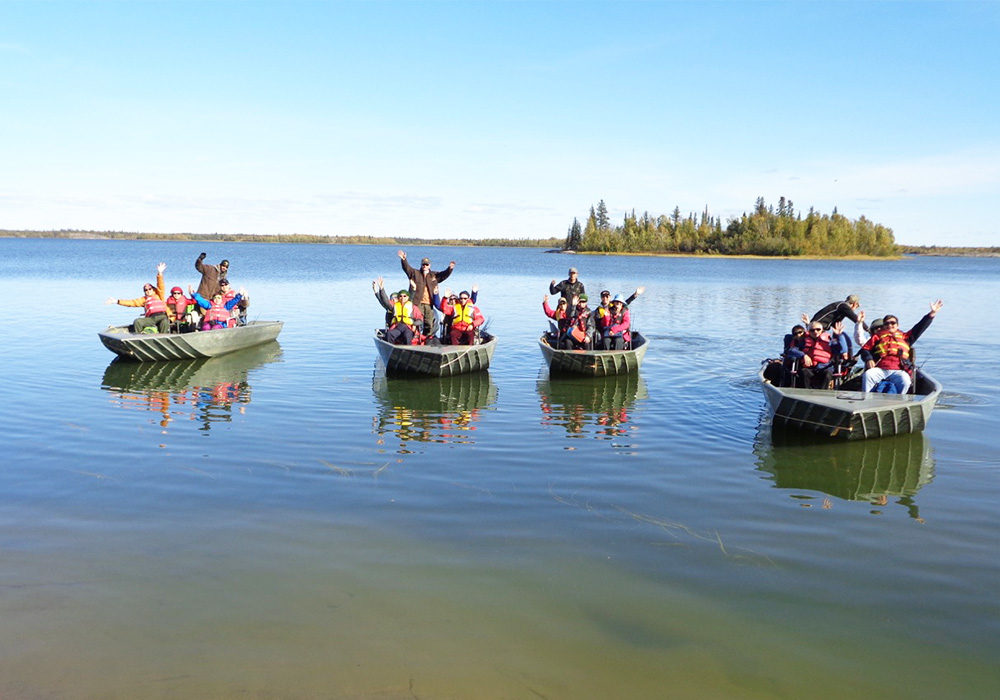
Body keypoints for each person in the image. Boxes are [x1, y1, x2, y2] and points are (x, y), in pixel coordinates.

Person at [860, 300, 943, 394]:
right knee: (868, 375)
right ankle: (867, 398)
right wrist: (868, 359)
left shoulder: (906, 337)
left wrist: (932, 314)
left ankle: (899, 401)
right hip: (880, 369)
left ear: (897, 325)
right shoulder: (877, 337)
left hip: (898, 370)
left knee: (905, 380)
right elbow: (864, 350)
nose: (890, 325)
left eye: (892, 323)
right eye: (886, 323)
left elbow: (919, 327)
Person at [398, 250, 454, 335]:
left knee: (429, 323)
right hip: (418, 303)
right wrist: (404, 260)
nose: (425, 266)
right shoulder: (415, 273)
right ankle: (416, 338)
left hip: (429, 304)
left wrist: (450, 269)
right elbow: (407, 268)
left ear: (429, 265)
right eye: (423, 264)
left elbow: (443, 275)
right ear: (421, 265)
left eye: (426, 264)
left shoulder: (434, 275)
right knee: (418, 323)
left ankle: (427, 339)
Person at [105, 262, 170, 334]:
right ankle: (139, 337)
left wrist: (160, 273)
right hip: (151, 318)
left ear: (153, 289)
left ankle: (163, 337)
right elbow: (131, 303)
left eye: (149, 289)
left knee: (164, 322)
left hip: (162, 316)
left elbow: (161, 285)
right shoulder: (144, 299)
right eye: (146, 290)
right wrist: (116, 301)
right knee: (137, 321)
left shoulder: (159, 295)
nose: (148, 291)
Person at [785, 320, 848, 389]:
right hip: (810, 368)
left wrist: (839, 335)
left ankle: (822, 393)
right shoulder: (805, 341)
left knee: (827, 374)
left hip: (824, 368)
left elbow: (843, 349)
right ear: (809, 331)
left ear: (822, 330)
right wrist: (804, 355)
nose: (815, 332)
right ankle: (806, 393)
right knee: (803, 372)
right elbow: (791, 350)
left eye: (818, 329)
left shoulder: (829, 341)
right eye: (812, 330)